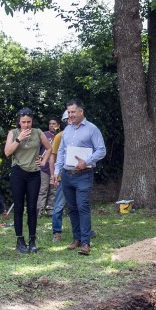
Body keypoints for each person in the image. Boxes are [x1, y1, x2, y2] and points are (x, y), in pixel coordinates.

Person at [54, 99, 106, 255]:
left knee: (83, 207)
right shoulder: (67, 131)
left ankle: (85, 242)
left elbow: (101, 150)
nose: (70, 115)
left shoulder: (92, 129)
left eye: (73, 112)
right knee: (72, 209)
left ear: (81, 112)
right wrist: (57, 171)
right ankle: (76, 239)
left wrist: (87, 161)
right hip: (67, 175)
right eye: (68, 112)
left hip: (84, 175)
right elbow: (61, 152)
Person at [4, 108, 53, 253]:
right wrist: (19, 139)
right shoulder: (13, 133)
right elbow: (7, 152)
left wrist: (43, 161)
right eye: (23, 122)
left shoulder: (38, 132)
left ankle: (32, 240)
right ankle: (20, 240)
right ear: (19, 122)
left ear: (32, 121)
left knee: (32, 207)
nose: (26, 125)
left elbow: (49, 148)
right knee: (18, 207)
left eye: (29, 122)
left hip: (34, 174)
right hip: (18, 172)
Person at [50, 110, 69, 241]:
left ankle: (85, 231)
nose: (70, 121)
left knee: (81, 206)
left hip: (78, 176)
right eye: (67, 119)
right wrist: (53, 175)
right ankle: (56, 232)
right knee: (58, 206)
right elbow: (53, 157)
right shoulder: (59, 137)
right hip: (63, 177)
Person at [36, 116, 60, 216]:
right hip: (44, 167)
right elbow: (38, 149)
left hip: (56, 167)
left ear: (58, 125)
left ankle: (50, 211)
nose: (51, 125)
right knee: (43, 189)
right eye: (50, 123)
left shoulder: (60, 136)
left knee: (54, 190)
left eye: (53, 124)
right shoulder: (44, 135)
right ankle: (39, 211)